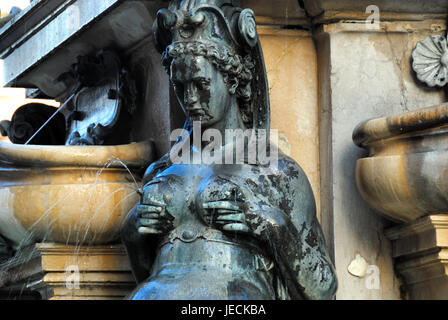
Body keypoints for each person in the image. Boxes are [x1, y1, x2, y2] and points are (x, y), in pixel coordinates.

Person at [121, 0, 337, 300]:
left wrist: (270, 224)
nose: (190, 98)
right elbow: (145, 269)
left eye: (200, 83)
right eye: (181, 87)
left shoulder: (276, 173)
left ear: (233, 79)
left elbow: (324, 289)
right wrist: (133, 232)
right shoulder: (160, 171)